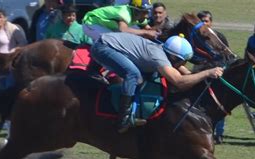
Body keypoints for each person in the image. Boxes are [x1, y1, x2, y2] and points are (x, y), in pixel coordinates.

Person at [91, 32, 224, 133]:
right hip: (102, 46)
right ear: (174, 57)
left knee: (143, 76)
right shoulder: (158, 57)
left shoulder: (165, 53)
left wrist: (199, 76)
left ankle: (134, 110)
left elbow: (183, 72)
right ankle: (122, 119)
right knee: (133, 74)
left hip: (111, 44)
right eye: (183, 61)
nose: (184, 64)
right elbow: (179, 82)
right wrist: (207, 73)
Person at [195, 10, 228, 144]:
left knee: (219, 106)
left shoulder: (219, 37)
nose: (204, 24)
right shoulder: (194, 38)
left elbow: (227, 56)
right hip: (200, 76)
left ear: (211, 23)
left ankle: (218, 133)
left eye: (206, 21)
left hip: (217, 76)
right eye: (201, 21)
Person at [0, 8, 27, 90]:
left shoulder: (12, 28)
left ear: (5, 18)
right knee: (1, 89)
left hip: (11, 64)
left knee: (9, 88)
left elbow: (23, 42)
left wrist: (14, 51)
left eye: (0, 17)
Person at [82, 0, 158, 42]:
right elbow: (124, 30)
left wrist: (152, 31)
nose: (146, 15)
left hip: (101, 24)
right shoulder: (124, 13)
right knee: (113, 41)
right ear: (135, 11)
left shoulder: (139, 16)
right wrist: (146, 32)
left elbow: (146, 27)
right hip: (91, 23)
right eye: (144, 12)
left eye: (147, 12)